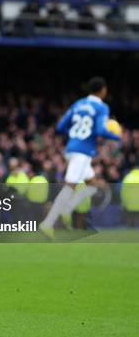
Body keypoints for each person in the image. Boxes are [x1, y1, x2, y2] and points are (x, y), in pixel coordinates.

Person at [39, 77, 121, 238]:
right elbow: (100, 130)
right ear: (102, 90)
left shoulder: (78, 104)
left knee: (91, 184)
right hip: (83, 152)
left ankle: (67, 209)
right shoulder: (102, 107)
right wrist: (117, 136)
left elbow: (61, 126)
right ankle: (48, 223)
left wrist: (76, 134)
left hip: (71, 148)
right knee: (70, 185)